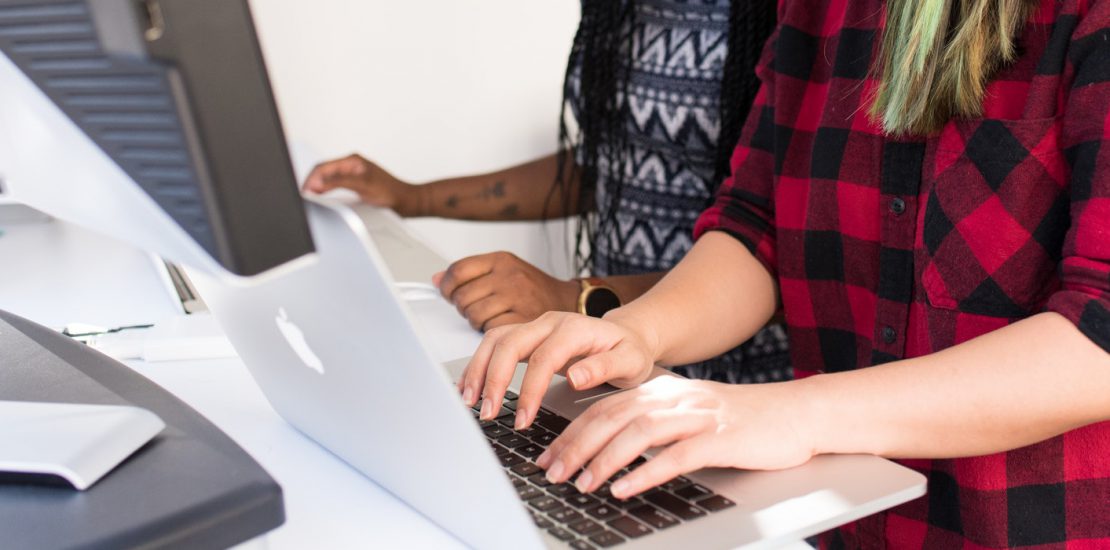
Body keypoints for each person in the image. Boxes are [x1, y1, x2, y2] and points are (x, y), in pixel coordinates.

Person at [460, 0, 1110, 547]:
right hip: (844, 522)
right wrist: (638, 331)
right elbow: (755, 226)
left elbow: (1099, 334)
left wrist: (790, 413)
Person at [304, 0, 790, 384]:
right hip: (619, 353)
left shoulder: (787, 16)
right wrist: (414, 198)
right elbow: (608, 167)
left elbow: (780, 245)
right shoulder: (619, 9)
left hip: (734, 383)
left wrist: (578, 299)